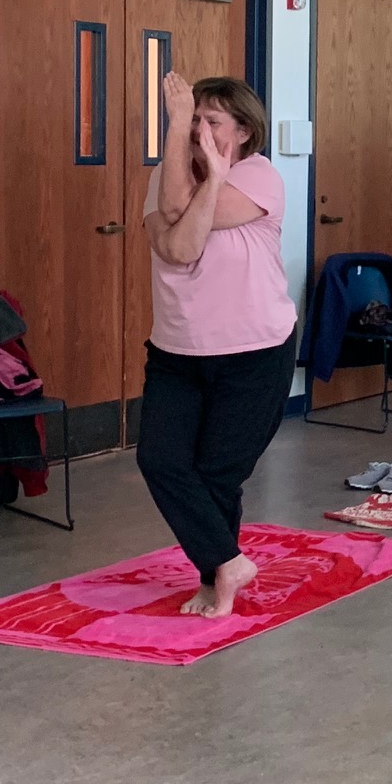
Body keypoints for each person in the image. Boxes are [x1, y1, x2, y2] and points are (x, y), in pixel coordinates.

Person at [137, 73, 298, 618]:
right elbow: (179, 244)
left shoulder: (261, 177)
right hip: (176, 351)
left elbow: (182, 221)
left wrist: (214, 176)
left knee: (216, 473)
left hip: (254, 351)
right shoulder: (167, 174)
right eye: (192, 119)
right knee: (159, 459)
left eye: (212, 121)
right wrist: (180, 133)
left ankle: (216, 581)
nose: (198, 131)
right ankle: (227, 562)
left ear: (244, 132)